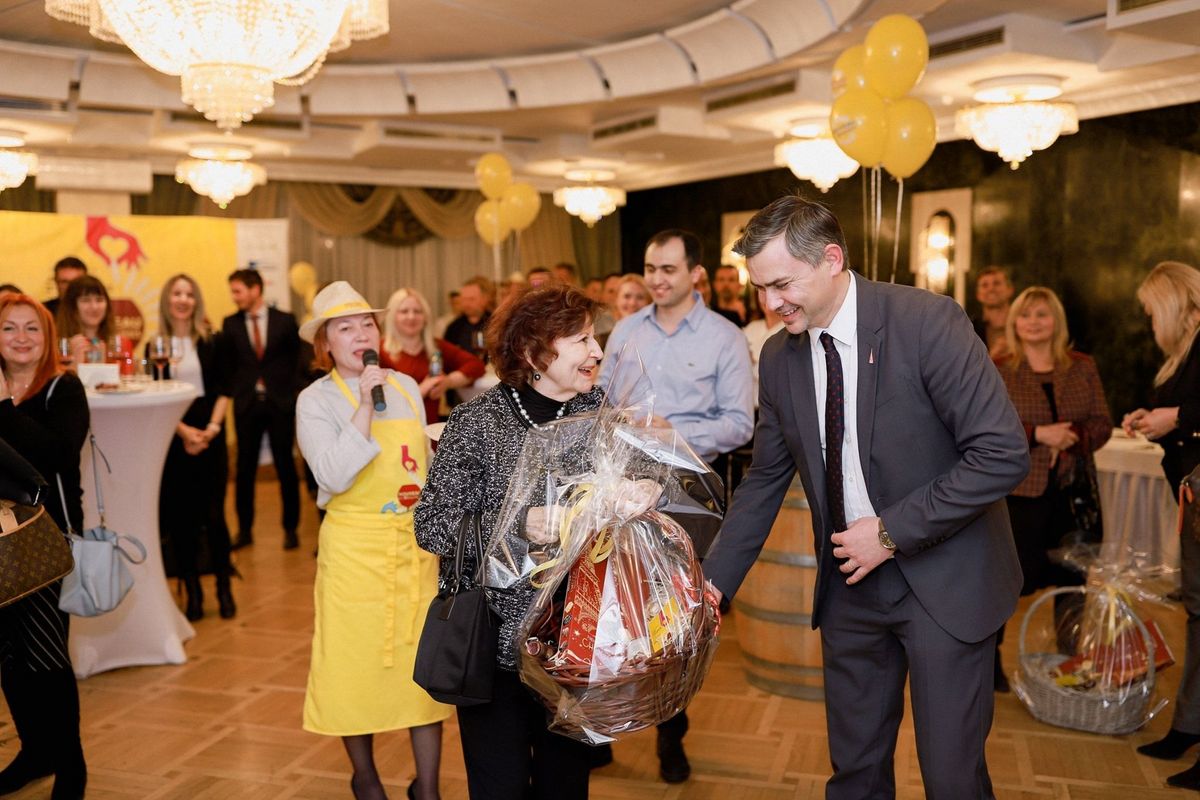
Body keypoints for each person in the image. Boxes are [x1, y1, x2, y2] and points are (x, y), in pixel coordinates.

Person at [702, 195, 1029, 799]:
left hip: (945, 581)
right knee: (854, 776)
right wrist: (711, 585)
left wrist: (888, 533)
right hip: (850, 586)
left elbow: (1001, 454)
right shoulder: (779, 357)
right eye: (761, 288)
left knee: (952, 778)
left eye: (782, 284)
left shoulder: (927, 322)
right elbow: (765, 480)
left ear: (831, 260)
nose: (770, 304)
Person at [414, 284, 609, 800]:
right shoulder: (476, 422)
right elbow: (432, 525)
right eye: (582, 340)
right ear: (532, 351)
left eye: (595, 338)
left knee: (565, 787)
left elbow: (623, 493)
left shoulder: (599, 412)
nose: (597, 351)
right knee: (498, 788)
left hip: (574, 639)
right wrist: (520, 523)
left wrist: (640, 489)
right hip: (492, 641)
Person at [599, 228, 754, 783]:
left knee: (671, 622)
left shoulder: (724, 337)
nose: (657, 279)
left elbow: (739, 423)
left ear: (695, 273)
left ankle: (671, 731)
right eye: (650, 268)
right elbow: (601, 401)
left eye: (668, 269)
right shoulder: (626, 331)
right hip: (618, 488)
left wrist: (672, 435)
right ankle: (601, 727)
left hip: (689, 495)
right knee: (611, 609)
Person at [296, 281, 450, 800]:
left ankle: (428, 789)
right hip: (353, 552)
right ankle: (365, 778)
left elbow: (421, 467)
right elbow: (332, 475)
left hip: (411, 547)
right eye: (346, 327)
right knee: (352, 668)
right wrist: (363, 405)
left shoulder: (405, 387)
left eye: (366, 324)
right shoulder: (314, 401)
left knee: (423, 671)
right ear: (325, 344)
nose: (361, 334)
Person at [995, 286, 1111, 691]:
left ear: (1056, 321)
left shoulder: (1082, 366)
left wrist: (1071, 436)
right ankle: (988, 663)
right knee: (1007, 582)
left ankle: (1070, 665)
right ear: (1014, 323)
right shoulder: (999, 367)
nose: (1033, 322)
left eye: (1042, 314)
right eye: (1025, 315)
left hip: (1072, 495)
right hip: (1019, 496)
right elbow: (989, 425)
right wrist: (1039, 434)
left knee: (1073, 583)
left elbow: (1102, 423)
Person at [0, 293, 89, 799]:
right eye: (9, 328)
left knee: (47, 656)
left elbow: (57, 454)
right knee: (10, 657)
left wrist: (3, 408)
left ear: (48, 336)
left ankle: (71, 766)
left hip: (45, 541)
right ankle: (35, 752)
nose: (21, 338)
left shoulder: (63, 388)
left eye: (31, 328)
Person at [1128, 261, 1200, 789]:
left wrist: (1174, 418)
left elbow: (1189, 413)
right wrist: (1157, 420)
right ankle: (1189, 725)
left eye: (1153, 312)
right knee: (1198, 613)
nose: (1152, 324)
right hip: (1193, 493)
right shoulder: (1189, 352)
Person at [155, 274, 237, 622]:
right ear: (167, 300)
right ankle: (193, 593)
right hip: (174, 437)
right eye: (177, 293)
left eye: (189, 294)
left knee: (215, 518)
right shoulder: (156, 345)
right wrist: (185, 432)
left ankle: (224, 588)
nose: (183, 299)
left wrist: (211, 430)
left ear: (196, 301)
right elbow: (156, 396)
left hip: (211, 434)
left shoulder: (212, 340)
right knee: (182, 521)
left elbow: (225, 389)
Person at [221, 268, 303, 550]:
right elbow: (228, 364)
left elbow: (297, 360)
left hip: (280, 404)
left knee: (285, 467)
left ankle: (291, 529)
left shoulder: (285, 320)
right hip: (246, 405)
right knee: (244, 470)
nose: (234, 297)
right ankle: (244, 530)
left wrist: (291, 392)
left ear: (255, 289)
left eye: (238, 291)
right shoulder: (230, 323)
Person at [380, 287, 485, 423]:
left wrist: (448, 382)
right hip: (397, 431)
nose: (411, 317)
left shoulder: (436, 346)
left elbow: (476, 365)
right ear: (393, 316)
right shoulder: (379, 351)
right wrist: (423, 389)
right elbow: (385, 404)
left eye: (417, 311)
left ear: (425, 317)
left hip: (430, 430)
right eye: (404, 311)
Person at [56, 274, 111, 366]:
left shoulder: (117, 345)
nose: (94, 307)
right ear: (72, 307)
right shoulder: (57, 346)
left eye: (99, 300)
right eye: (86, 300)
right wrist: (74, 364)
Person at [443, 276, 493, 363]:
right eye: (464, 299)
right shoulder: (454, 327)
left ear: (484, 300)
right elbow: (446, 357)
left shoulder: (495, 323)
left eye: (471, 299)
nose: (466, 304)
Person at [743, 304, 783, 409]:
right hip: (748, 407)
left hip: (775, 407)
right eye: (762, 295)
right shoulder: (752, 327)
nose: (766, 300)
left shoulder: (790, 331)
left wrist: (752, 362)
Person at [973, 266, 1014, 359]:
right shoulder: (971, 329)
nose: (991, 289)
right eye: (984, 285)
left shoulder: (1026, 325)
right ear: (978, 294)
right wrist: (992, 357)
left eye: (997, 283)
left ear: (1010, 290)